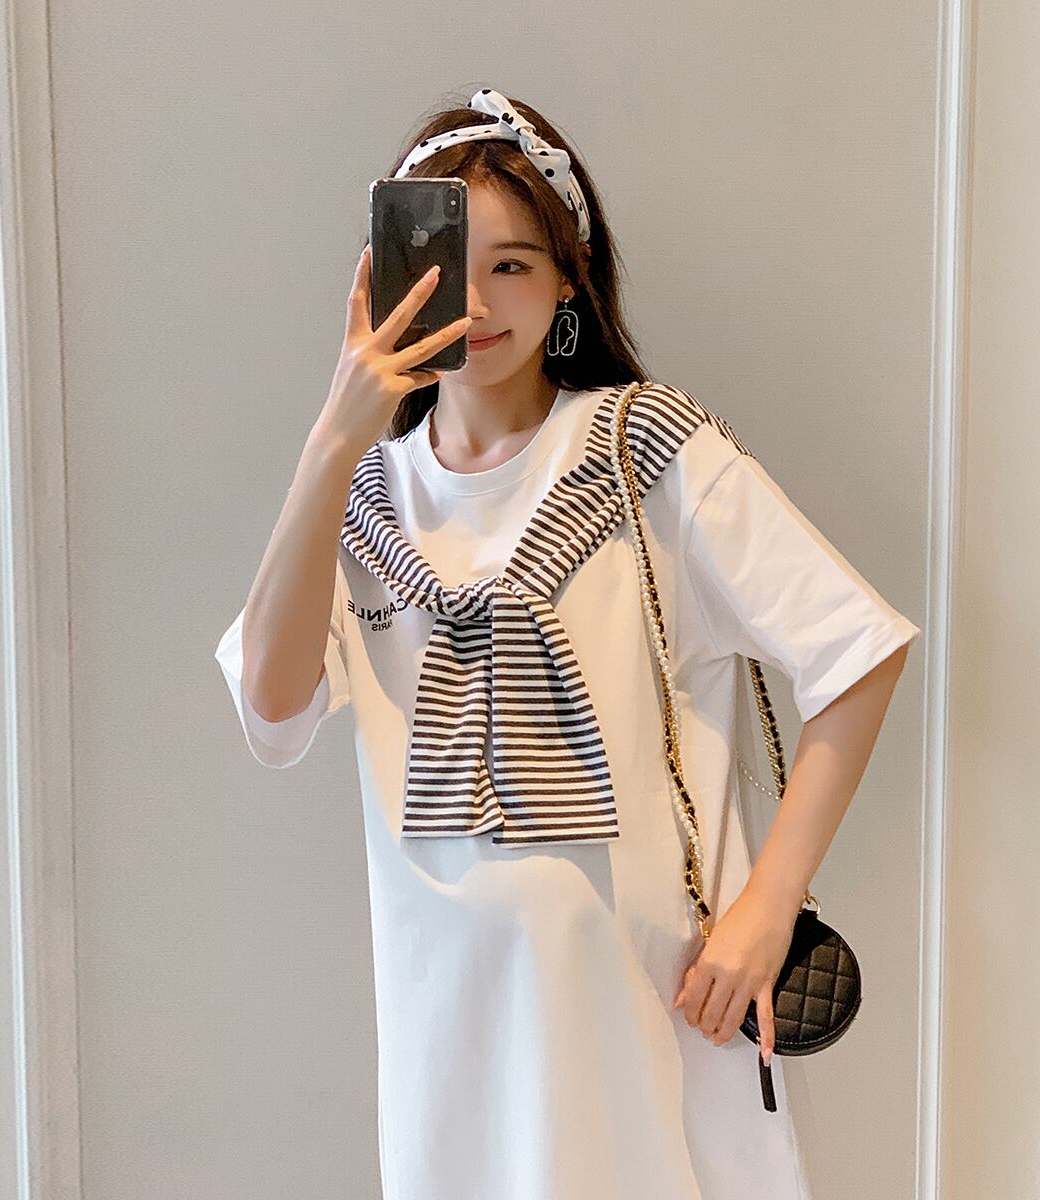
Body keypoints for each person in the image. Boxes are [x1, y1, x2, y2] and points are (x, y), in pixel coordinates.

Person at [214, 86, 920, 1200]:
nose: (476, 302)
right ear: (389, 276)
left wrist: (767, 906)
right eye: (444, 264)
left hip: (651, 1005)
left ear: (568, 281)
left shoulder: (648, 450)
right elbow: (271, 710)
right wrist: (332, 441)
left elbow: (858, 654)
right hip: (446, 1027)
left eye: (514, 264)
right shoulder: (364, 499)